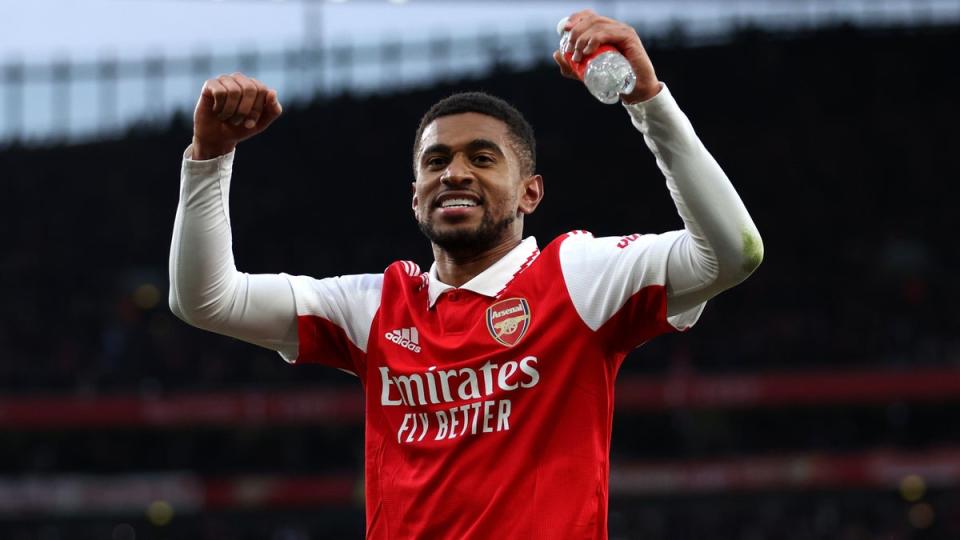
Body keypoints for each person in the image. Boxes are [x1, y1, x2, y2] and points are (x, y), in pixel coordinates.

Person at [169, 9, 763, 539]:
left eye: (482, 158)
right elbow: (206, 300)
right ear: (414, 196)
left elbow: (734, 253)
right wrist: (210, 157)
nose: (454, 173)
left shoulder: (581, 277)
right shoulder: (373, 307)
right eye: (437, 161)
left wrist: (648, 100)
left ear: (530, 192)